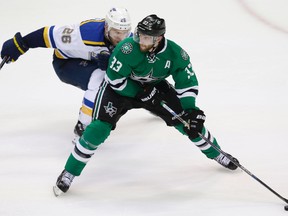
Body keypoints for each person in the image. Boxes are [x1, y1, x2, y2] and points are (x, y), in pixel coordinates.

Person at [53, 14, 239, 196]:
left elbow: (187, 83)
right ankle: (69, 171)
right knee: (98, 128)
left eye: (146, 38)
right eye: (139, 35)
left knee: (189, 123)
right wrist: (141, 93)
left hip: (154, 87)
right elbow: (114, 80)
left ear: (159, 39)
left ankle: (217, 153)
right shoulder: (126, 49)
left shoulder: (176, 54)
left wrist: (190, 109)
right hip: (119, 91)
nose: (141, 41)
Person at [0, 7, 132, 143]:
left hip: (91, 61)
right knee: (101, 81)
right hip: (66, 63)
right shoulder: (85, 33)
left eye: (124, 32)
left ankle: (104, 116)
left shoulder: (129, 42)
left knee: (119, 84)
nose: (120, 38)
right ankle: (83, 126)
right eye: (116, 32)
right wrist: (21, 43)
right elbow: (47, 35)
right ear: (106, 28)